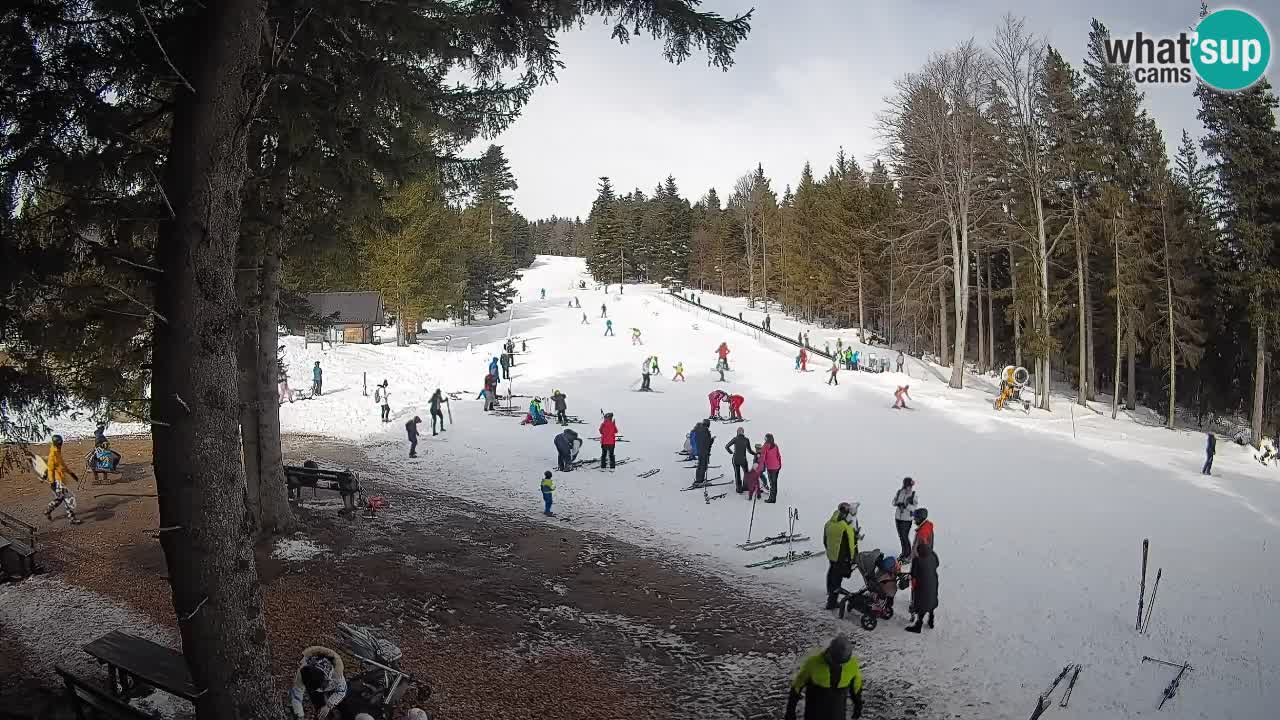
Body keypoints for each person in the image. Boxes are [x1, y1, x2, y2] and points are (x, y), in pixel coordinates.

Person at [784, 635, 863, 720]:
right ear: (829, 652)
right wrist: (790, 711)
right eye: (836, 661)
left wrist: (858, 706)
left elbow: (856, 687)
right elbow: (797, 686)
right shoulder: (813, 663)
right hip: (814, 715)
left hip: (837, 715)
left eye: (841, 663)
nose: (838, 665)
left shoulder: (852, 664)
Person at [288, 646, 348, 720]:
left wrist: (329, 705)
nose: (321, 689)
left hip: (332, 685)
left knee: (340, 704)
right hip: (316, 685)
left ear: (326, 679)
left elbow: (341, 691)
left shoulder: (337, 676)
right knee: (317, 701)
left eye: (322, 686)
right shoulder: (304, 674)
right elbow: (296, 693)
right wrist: (299, 714)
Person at [823, 502, 859, 609]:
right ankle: (831, 602)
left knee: (831, 573)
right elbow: (851, 544)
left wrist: (830, 551)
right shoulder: (845, 526)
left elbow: (825, 540)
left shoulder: (828, 524)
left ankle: (830, 592)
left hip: (831, 555)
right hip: (841, 557)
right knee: (837, 579)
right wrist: (853, 558)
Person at [43, 435, 81, 524]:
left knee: (60, 498)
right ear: (56, 444)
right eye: (59, 444)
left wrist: (71, 473)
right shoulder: (53, 455)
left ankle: (48, 510)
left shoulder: (57, 452)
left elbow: (62, 465)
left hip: (59, 479)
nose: (61, 445)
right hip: (57, 481)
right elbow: (50, 469)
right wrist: (52, 482)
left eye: (61, 443)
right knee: (68, 498)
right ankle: (71, 518)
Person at [906, 543, 939, 633]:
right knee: (931, 599)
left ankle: (918, 625)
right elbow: (937, 564)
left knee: (922, 604)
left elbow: (913, 574)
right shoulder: (933, 555)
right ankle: (931, 620)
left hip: (922, 586)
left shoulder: (917, 560)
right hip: (933, 582)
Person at [892, 477, 918, 560]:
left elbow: (914, 508)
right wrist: (897, 503)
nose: (908, 488)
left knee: (904, 536)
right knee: (901, 536)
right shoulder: (900, 492)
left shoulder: (913, 495)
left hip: (907, 519)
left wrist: (906, 505)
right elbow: (893, 502)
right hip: (898, 518)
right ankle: (904, 553)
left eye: (910, 486)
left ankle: (908, 554)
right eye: (907, 486)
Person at [725, 427, 756, 493]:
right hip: (743, 460)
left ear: (737, 432)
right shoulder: (746, 440)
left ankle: (739, 489)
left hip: (735, 459)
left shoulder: (735, 439)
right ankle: (745, 487)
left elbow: (727, 446)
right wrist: (755, 454)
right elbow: (749, 450)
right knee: (746, 473)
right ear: (743, 432)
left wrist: (731, 452)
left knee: (737, 473)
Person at [760, 433, 782, 503]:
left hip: (771, 468)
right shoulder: (775, 445)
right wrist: (780, 465)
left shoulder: (765, 446)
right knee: (774, 483)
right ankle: (774, 497)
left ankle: (772, 499)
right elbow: (779, 456)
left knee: (772, 483)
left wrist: (761, 467)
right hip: (777, 467)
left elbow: (762, 458)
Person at [693, 420, 713, 486]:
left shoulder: (698, 430)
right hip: (704, 451)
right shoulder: (706, 432)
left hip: (699, 450)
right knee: (703, 466)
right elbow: (708, 443)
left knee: (700, 465)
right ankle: (700, 480)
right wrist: (712, 440)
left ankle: (698, 479)